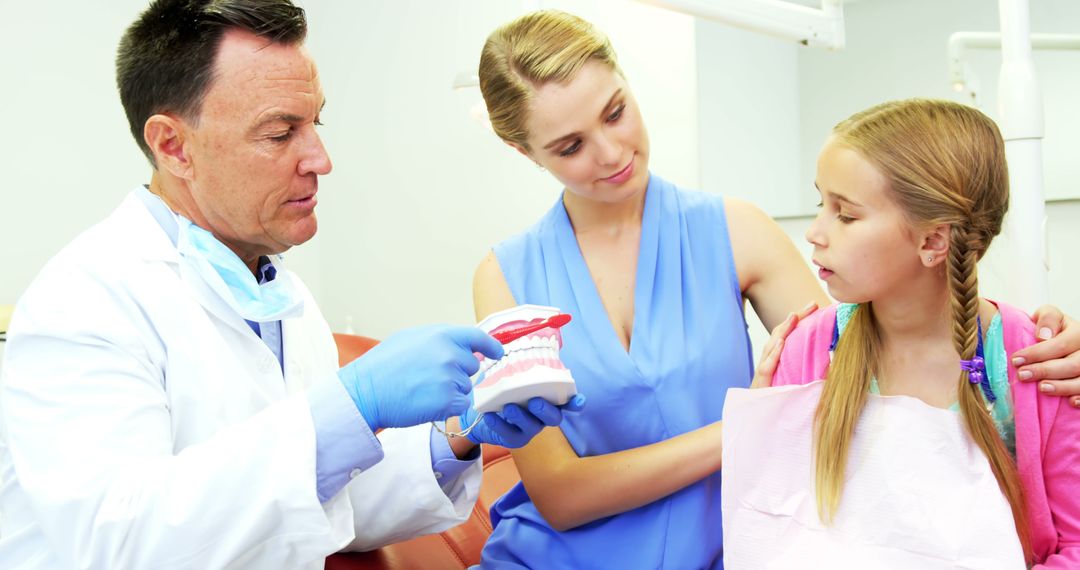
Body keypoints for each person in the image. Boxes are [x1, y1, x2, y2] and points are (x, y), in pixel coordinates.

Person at [470, 10, 1080, 569]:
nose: (611, 153)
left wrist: (1038, 339)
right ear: (522, 149)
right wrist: (752, 421)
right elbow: (561, 496)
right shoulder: (505, 278)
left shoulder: (735, 231)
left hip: (722, 552)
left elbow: (873, 352)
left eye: (614, 111)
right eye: (570, 146)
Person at [0, 2, 582, 568]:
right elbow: (121, 546)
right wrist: (353, 404)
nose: (321, 159)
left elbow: (321, 504)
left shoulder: (280, 297)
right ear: (174, 146)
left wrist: (456, 435)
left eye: (314, 122)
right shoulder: (83, 302)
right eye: (281, 133)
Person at [739, 99, 1080, 567]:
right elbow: (773, 529)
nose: (815, 233)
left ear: (933, 242)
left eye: (846, 215)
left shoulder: (1037, 361)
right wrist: (762, 424)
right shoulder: (807, 350)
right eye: (823, 204)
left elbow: (1074, 544)